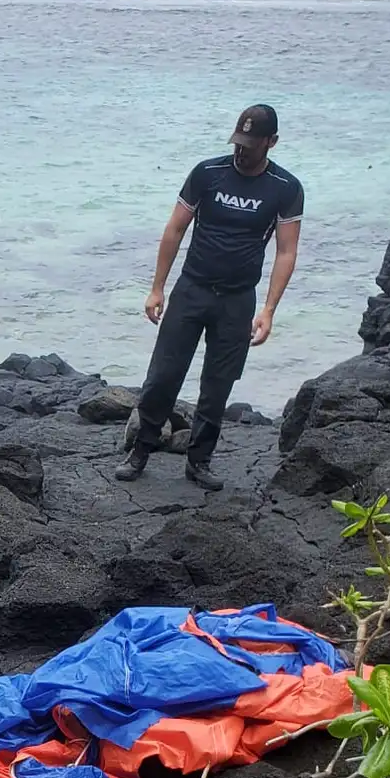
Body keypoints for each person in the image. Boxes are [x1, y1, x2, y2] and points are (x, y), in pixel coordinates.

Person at [116, 105, 303, 491]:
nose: (242, 151)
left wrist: (268, 310)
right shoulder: (207, 173)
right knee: (163, 375)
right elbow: (175, 229)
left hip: (237, 300)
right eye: (238, 142)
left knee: (218, 384)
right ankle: (139, 452)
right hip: (192, 289)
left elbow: (286, 252)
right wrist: (157, 287)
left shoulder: (285, 188)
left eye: (251, 145)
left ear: (272, 142)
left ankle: (199, 461)